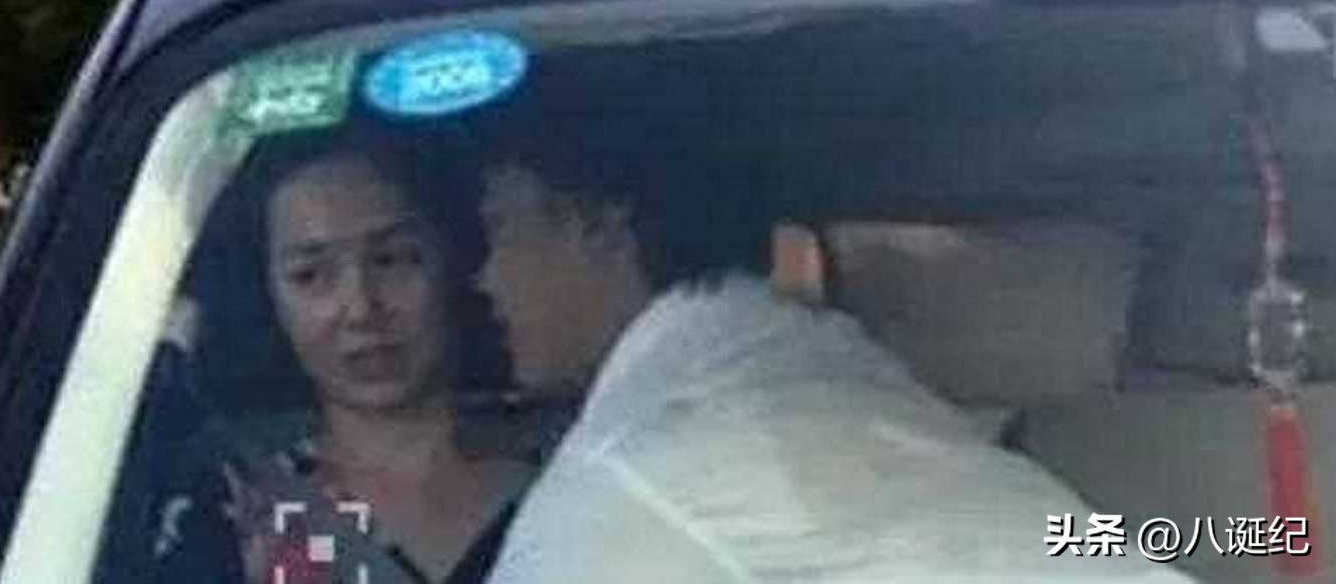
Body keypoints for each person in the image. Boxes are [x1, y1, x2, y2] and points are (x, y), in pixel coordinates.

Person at [469, 85, 1195, 583]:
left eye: (501, 230)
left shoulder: (621, 489)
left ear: (597, 228)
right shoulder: (841, 380)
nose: (484, 278)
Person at [188, 125, 537, 584]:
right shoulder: (233, 501)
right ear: (268, 297)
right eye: (311, 275)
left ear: (455, 260)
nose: (361, 309)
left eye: (391, 260)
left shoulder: (576, 462)